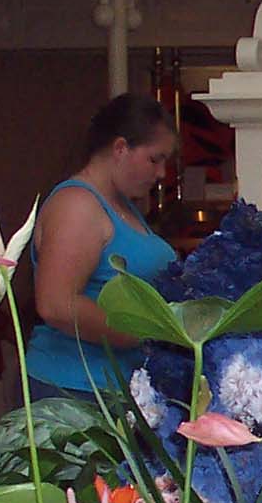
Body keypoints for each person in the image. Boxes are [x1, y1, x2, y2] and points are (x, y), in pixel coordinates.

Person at [23, 94, 178, 400]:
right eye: (154, 159)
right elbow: (56, 304)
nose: (161, 174)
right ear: (120, 148)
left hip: (117, 389)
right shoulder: (77, 204)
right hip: (76, 389)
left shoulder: (122, 206)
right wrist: (146, 333)